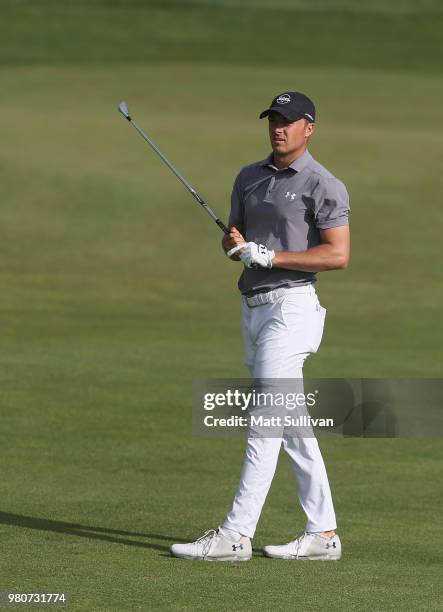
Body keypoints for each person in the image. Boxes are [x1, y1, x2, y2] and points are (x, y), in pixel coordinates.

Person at [171, 91, 350, 561]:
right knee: (291, 425)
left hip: (292, 310)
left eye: (289, 121)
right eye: (274, 119)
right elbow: (234, 239)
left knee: (265, 420)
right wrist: (233, 245)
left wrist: (272, 257)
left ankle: (235, 535)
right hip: (253, 308)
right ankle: (324, 534)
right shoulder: (248, 177)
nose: (279, 127)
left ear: (308, 127)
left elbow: (338, 254)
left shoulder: (323, 184)